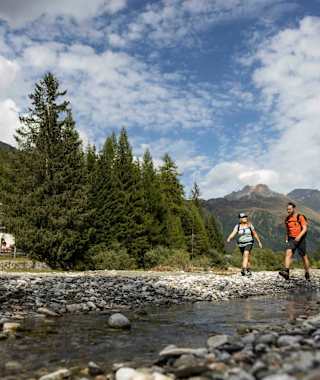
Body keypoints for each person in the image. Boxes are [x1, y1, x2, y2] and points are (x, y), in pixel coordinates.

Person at [279, 202, 310, 281]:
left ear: (293, 209)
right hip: (292, 239)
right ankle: (286, 272)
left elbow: (305, 228)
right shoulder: (287, 219)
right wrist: (286, 239)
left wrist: (299, 237)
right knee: (288, 252)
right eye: (287, 209)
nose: (288, 211)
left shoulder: (300, 217)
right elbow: (287, 230)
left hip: (301, 238)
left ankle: (307, 272)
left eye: (290, 209)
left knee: (303, 256)